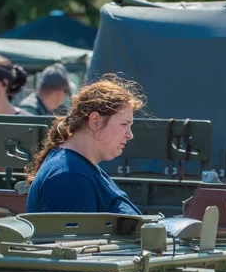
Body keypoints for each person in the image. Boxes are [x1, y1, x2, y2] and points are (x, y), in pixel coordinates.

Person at [25, 75, 145, 215]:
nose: (130, 135)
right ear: (95, 121)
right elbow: (74, 237)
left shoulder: (77, 168)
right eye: (124, 124)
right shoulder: (69, 176)